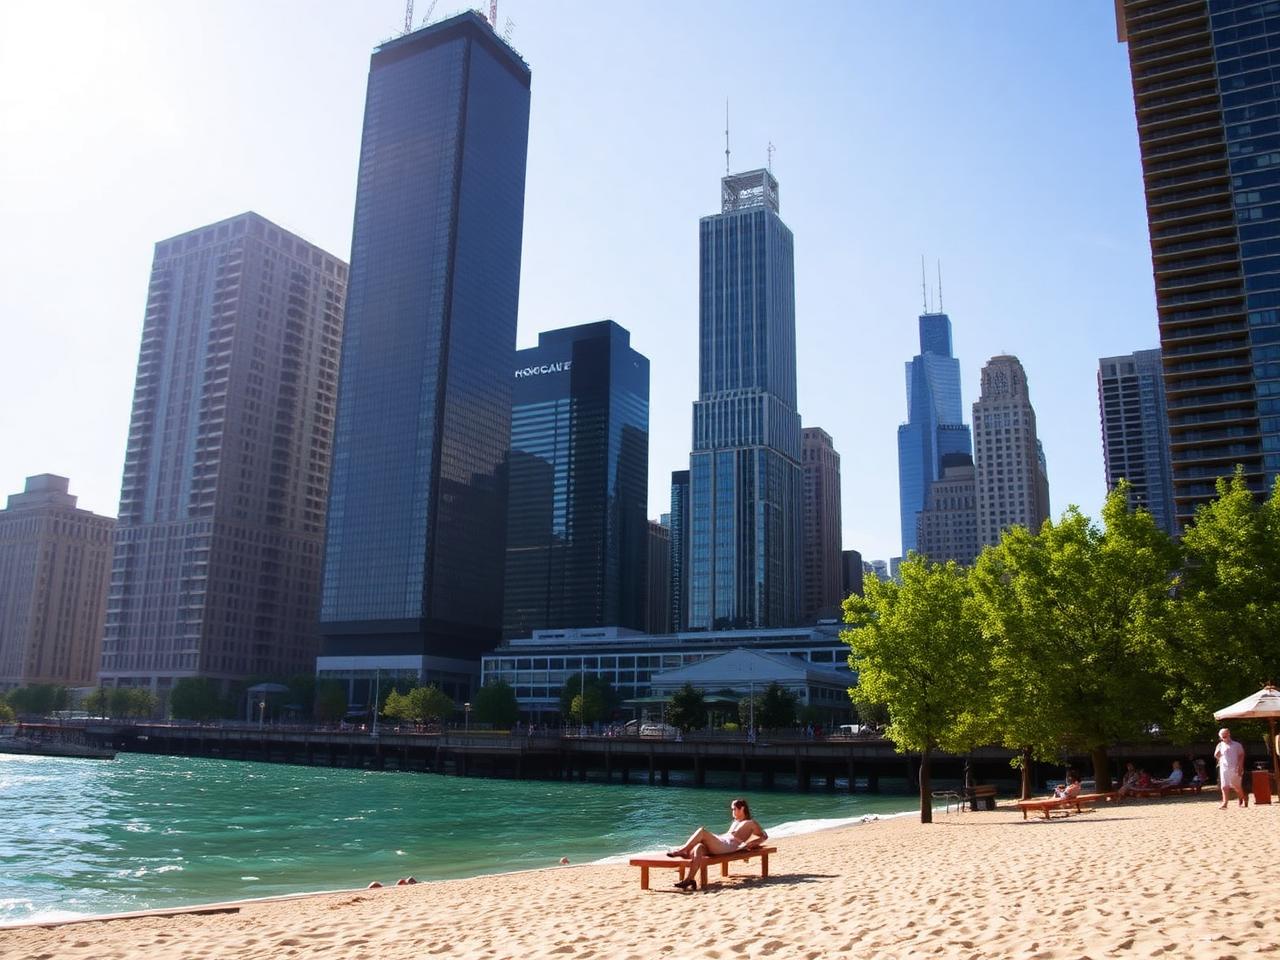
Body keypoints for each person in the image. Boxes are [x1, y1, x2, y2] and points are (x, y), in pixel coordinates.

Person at [664, 798, 768, 891]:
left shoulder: (750, 823)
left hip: (728, 846)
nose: (732, 811)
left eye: (734, 809)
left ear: (742, 809)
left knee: (702, 831)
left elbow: (764, 836)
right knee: (698, 848)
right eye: (732, 809)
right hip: (722, 842)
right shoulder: (736, 822)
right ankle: (689, 880)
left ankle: (684, 850)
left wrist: (751, 843)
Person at [1214, 727, 1247, 809]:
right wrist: (1217, 754)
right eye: (1222, 736)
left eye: (1225, 735)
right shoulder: (1220, 745)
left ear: (1229, 734)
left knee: (1237, 786)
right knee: (1224, 786)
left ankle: (1242, 797)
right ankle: (1225, 803)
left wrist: (1240, 766)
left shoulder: (1237, 745)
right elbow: (1216, 755)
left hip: (1235, 767)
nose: (1224, 737)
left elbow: (1241, 755)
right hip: (1224, 768)